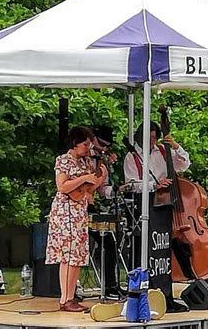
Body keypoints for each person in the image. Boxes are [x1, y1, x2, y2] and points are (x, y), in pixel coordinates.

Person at [123, 120, 190, 313]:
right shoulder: (132, 157)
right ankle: (149, 293)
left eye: (155, 137)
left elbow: (183, 165)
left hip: (165, 204)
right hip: (145, 206)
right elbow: (131, 184)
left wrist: (176, 147)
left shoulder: (162, 151)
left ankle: (166, 295)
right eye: (149, 137)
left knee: (163, 251)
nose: (153, 141)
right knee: (150, 251)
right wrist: (154, 185)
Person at [45, 126, 108, 312]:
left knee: (78, 256)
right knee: (68, 255)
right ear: (75, 143)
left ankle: (71, 296)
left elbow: (87, 190)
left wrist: (100, 177)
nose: (88, 148)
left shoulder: (85, 163)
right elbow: (62, 186)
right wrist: (84, 178)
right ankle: (65, 299)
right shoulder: (63, 160)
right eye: (85, 144)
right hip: (65, 212)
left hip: (79, 211)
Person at [90, 125, 125, 300]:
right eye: (101, 144)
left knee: (109, 243)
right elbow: (90, 184)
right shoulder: (85, 158)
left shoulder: (99, 160)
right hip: (77, 206)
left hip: (90, 205)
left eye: (106, 146)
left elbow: (103, 191)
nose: (103, 149)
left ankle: (111, 286)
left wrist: (117, 189)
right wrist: (101, 169)